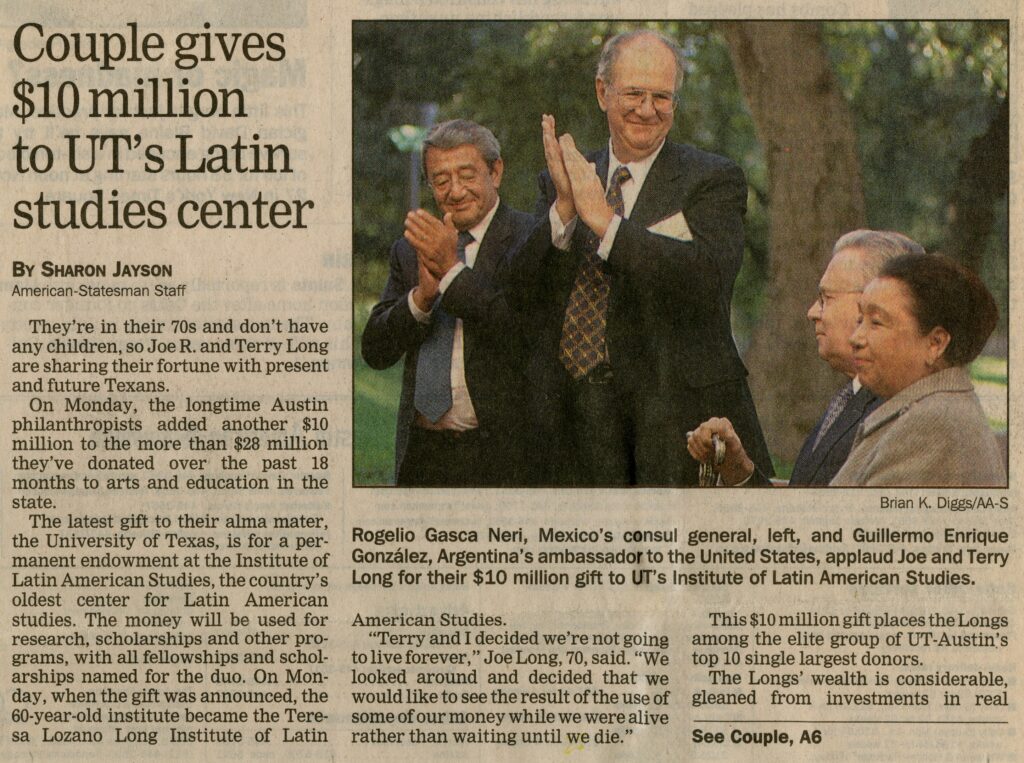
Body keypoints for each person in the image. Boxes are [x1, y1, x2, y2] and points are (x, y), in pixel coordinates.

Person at [512, 29, 771, 486]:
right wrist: (566, 211)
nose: (647, 109)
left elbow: (707, 279)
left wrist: (606, 224)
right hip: (574, 430)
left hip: (674, 428)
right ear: (602, 92)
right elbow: (521, 294)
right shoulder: (564, 180)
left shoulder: (713, 180)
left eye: (661, 97)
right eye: (634, 93)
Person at [361, 119, 535, 486]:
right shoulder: (411, 250)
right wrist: (421, 299)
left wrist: (452, 271)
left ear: (496, 171)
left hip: (499, 456)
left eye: (467, 175)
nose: (455, 191)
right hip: (423, 454)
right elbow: (376, 352)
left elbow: (525, 335)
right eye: (441, 180)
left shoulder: (530, 239)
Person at [687, 230, 924, 486]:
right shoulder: (854, 398)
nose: (812, 312)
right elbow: (804, 508)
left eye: (826, 298)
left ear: (874, 302)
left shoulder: (895, 412)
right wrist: (736, 467)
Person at [831, 253, 1004, 486]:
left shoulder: (930, 425)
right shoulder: (940, 409)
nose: (855, 338)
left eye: (877, 322)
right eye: (860, 319)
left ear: (935, 343)